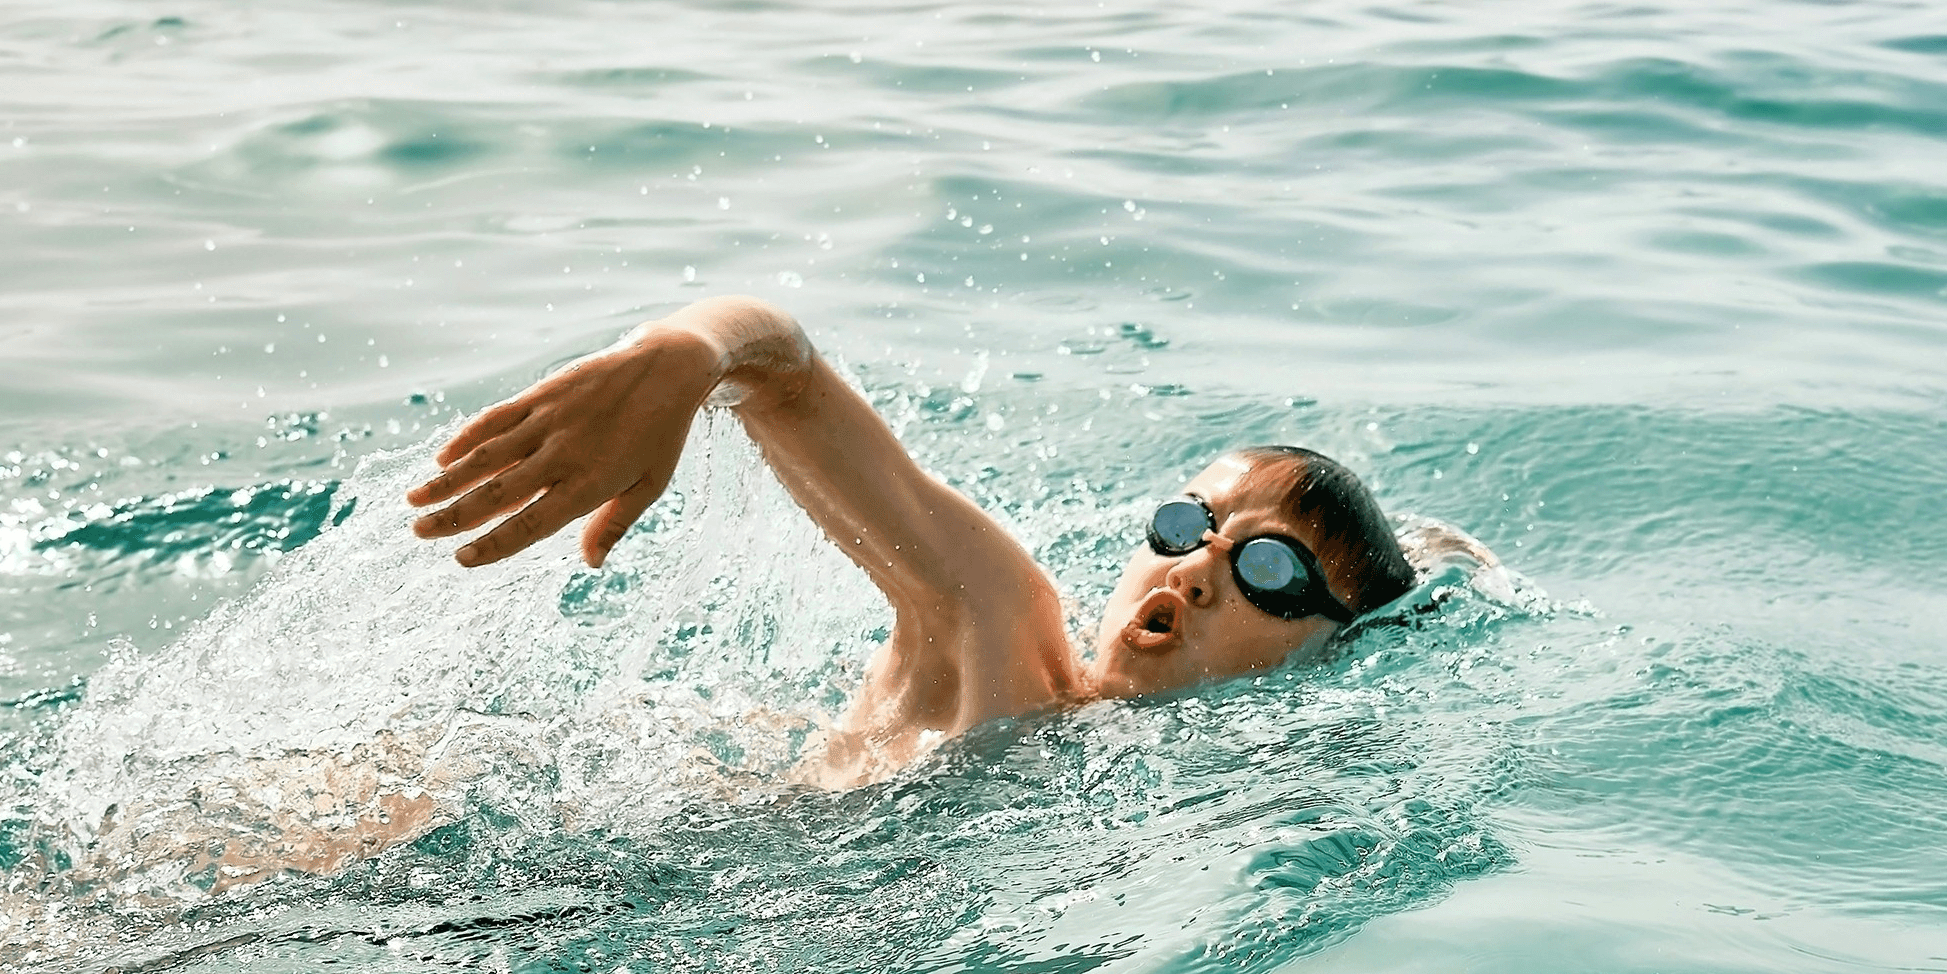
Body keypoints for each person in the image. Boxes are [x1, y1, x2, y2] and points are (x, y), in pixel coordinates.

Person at [408, 296, 1418, 782]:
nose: (1198, 569)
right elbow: (792, 376)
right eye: (1188, 525)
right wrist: (688, 352)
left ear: (1329, 646)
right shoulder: (1003, 626)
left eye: (1270, 569)